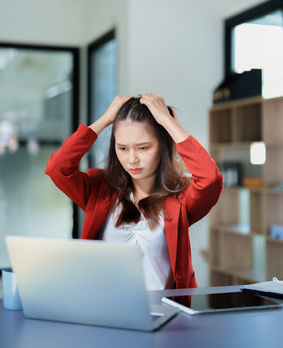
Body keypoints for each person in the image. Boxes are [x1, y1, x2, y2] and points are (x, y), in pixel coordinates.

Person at [45, 93, 223, 291]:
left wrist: (166, 121)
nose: (132, 160)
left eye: (143, 148)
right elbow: (57, 168)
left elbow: (210, 179)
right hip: (104, 309)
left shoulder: (181, 197)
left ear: (162, 147)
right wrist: (104, 120)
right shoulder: (100, 189)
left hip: (163, 313)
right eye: (122, 148)